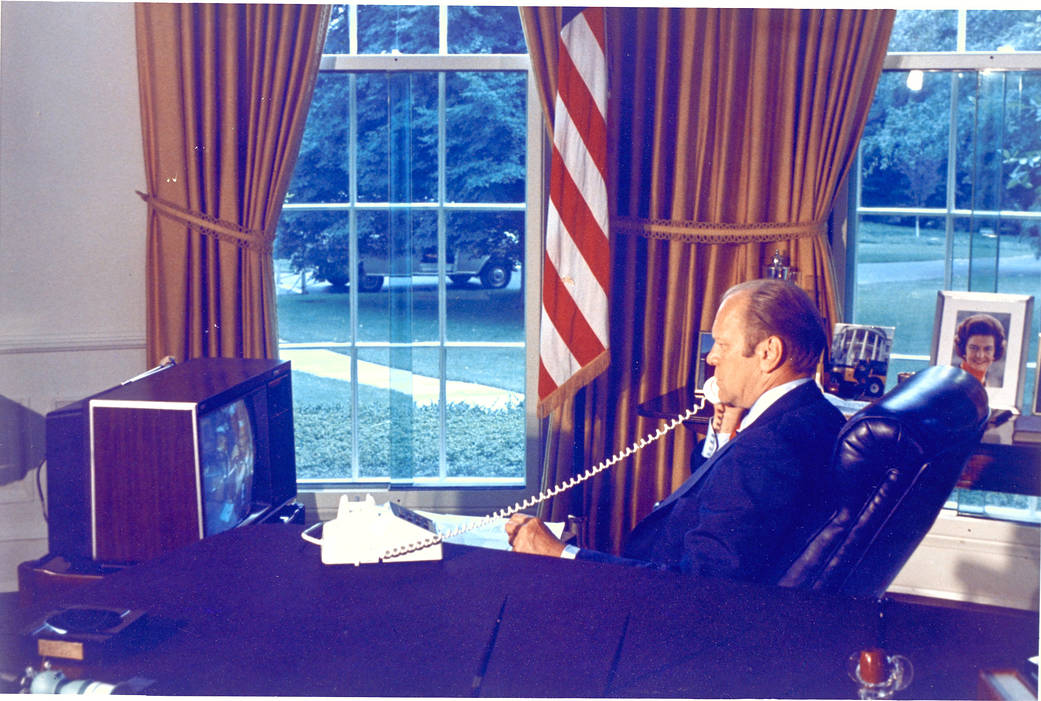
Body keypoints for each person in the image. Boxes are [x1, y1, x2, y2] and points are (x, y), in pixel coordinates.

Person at [506, 278, 847, 585]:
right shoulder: (815, 415)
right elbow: (722, 498)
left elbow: (698, 586)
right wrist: (727, 435)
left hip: (658, 610)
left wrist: (561, 555)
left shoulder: (766, 449)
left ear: (768, 353)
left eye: (722, 345)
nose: (711, 358)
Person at [952, 313, 1006, 388]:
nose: (980, 355)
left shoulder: (994, 385)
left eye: (988, 349)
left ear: (995, 352)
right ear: (964, 349)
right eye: (974, 348)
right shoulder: (951, 382)